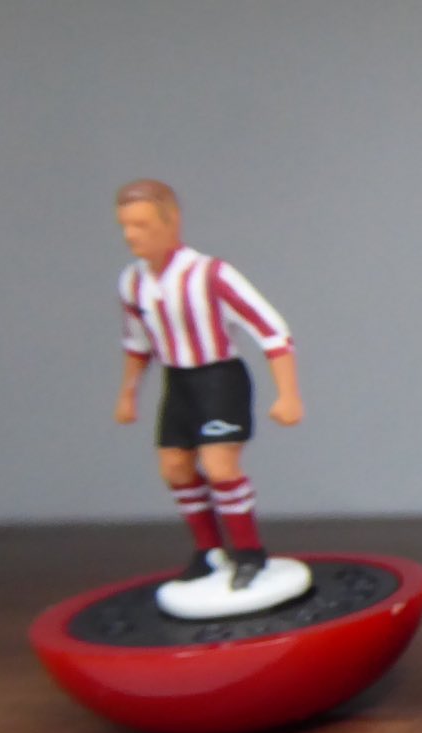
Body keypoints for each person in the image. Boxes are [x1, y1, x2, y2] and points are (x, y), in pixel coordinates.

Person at [112, 179, 302, 590]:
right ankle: (209, 551)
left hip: (219, 380)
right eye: (125, 225)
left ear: (171, 222)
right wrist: (128, 394)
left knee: (220, 467)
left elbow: (271, 329)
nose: (131, 235)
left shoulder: (210, 274)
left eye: (142, 225)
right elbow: (137, 343)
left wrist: (288, 394)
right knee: (175, 467)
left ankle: (249, 553)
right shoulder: (132, 282)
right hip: (178, 382)